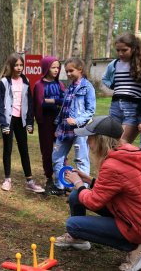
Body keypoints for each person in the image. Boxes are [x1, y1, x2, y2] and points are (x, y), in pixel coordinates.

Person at [54, 115, 141, 271]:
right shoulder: (125, 151)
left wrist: (77, 182)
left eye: (90, 138)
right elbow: (115, 188)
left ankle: (136, 245)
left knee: (73, 224)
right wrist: (88, 180)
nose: (88, 142)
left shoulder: (112, 165)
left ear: (100, 140)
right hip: (134, 214)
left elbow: (93, 202)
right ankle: (78, 240)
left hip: (138, 225)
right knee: (76, 196)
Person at [0, 53, 45, 193]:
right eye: (16, 65)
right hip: (8, 119)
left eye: (21, 65)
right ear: (11, 66)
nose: (19, 68)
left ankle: (30, 181)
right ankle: (7, 179)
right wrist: (4, 123)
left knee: (24, 150)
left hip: (21, 120)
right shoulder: (4, 82)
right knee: (8, 149)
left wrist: (29, 122)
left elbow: (29, 102)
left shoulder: (26, 81)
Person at [49, 58, 96, 196]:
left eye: (71, 71)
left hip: (79, 130)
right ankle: (60, 186)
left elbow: (90, 111)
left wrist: (76, 121)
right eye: (66, 71)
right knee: (56, 157)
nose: (68, 74)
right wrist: (58, 127)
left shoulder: (87, 87)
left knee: (81, 159)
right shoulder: (69, 87)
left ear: (80, 70)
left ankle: (82, 190)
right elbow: (64, 109)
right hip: (64, 130)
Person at [102, 33, 141, 144]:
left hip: (133, 108)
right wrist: (113, 85)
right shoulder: (114, 64)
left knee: (122, 143)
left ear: (134, 48)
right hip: (115, 106)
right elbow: (105, 78)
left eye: (124, 50)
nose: (120, 53)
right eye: (118, 50)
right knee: (111, 143)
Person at [33, 56, 65, 192]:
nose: (56, 70)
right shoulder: (39, 85)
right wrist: (56, 102)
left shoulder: (60, 84)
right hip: (45, 122)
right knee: (47, 150)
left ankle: (62, 178)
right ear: (46, 68)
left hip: (60, 122)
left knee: (61, 149)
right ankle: (49, 178)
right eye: (53, 67)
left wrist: (52, 101)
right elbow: (41, 104)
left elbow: (65, 100)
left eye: (58, 67)